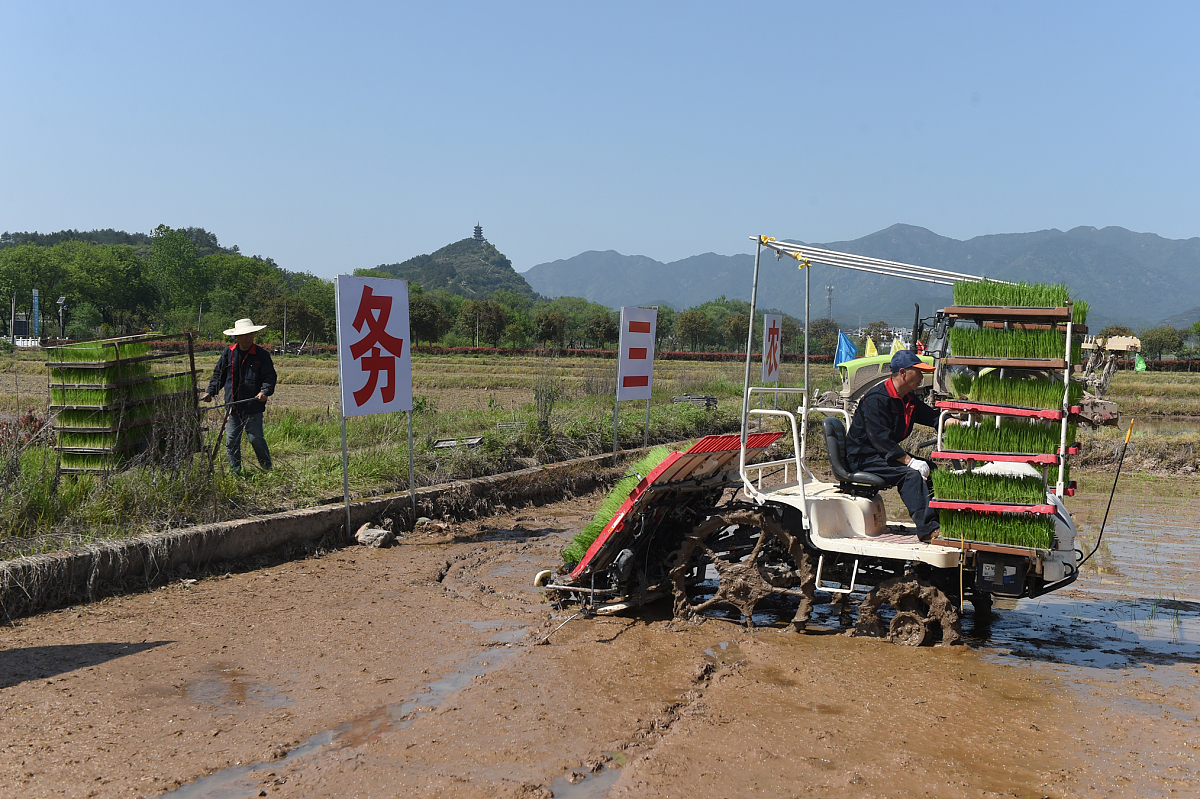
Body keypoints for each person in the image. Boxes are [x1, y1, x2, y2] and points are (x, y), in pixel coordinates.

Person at [844, 349, 946, 542]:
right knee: (911, 475)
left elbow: (932, 417)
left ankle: (942, 520)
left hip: (881, 454)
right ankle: (928, 531)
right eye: (918, 371)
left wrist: (954, 422)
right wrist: (909, 461)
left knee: (931, 468)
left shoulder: (908, 398)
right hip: (863, 457)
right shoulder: (876, 399)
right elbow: (881, 440)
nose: (922, 376)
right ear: (903, 373)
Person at [200, 318, 276, 473]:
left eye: (251, 334)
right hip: (232, 406)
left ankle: (267, 469)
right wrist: (210, 391)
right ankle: (236, 472)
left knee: (256, 439)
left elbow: (269, 377)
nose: (248, 337)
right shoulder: (229, 353)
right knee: (231, 441)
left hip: (253, 405)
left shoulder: (261, 355)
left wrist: (265, 391)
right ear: (238, 336)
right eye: (245, 334)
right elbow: (219, 375)